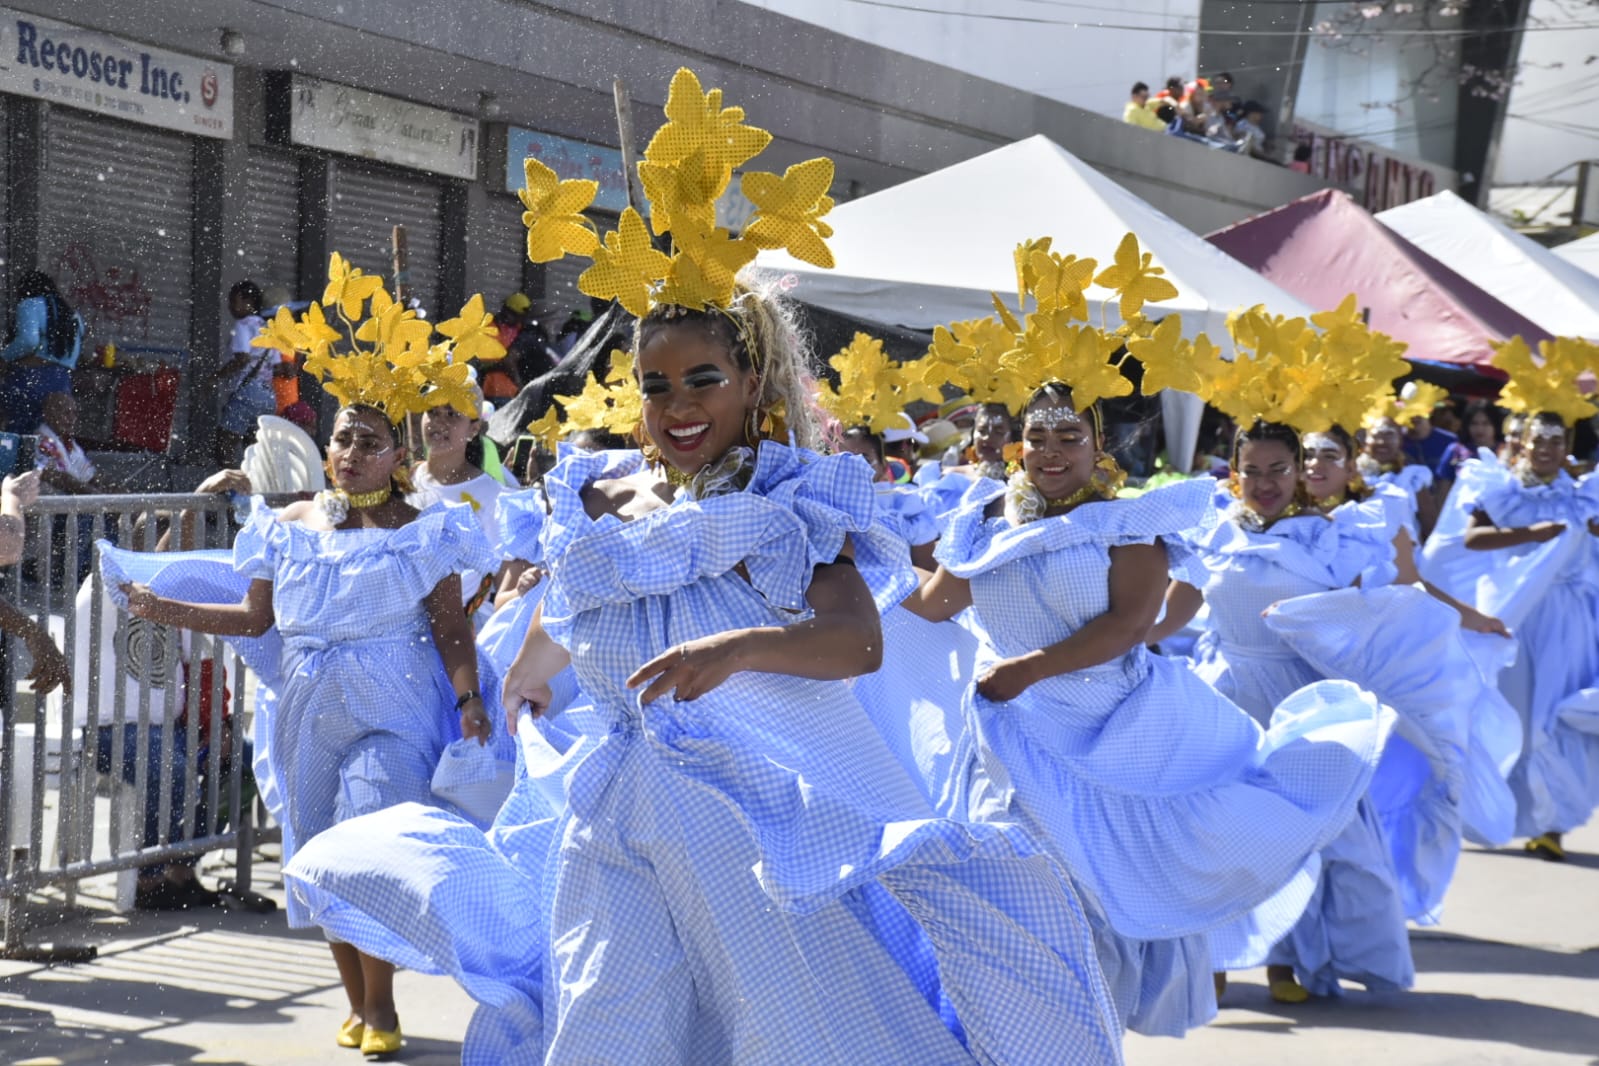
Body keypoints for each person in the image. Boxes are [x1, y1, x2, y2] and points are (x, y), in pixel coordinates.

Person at [281, 277, 1125, 1065]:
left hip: (743, 820)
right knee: (602, 1015)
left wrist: (735, 651)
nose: (677, 407)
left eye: (702, 379)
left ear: (752, 382)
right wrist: (530, 672)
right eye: (656, 386)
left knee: (783, 1030)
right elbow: (574, 601)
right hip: (613, 806)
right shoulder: (600, 500)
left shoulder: (788, 501)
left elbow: (855, 641)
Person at [903, 386, 1385, 1035]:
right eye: (1038, 438)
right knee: (1019, 897)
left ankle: (1084, 1035)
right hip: (1008, 734)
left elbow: (1130, 626)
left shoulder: (1128, 523)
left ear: (1098, 445)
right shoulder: (987, 522)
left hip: (1115, 730)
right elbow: (932, 606)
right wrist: (838, 584)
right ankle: (1025, 1035)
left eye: (1069, 437)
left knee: (1099, 901)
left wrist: (1028, 669)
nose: (1051, 453)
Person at [111, 400, 497, 1057]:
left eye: (368, 441)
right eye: (342, 438)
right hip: (307, 707)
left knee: (372, 846)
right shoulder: (285, 525)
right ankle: (358, 1002)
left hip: (393, 704)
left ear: (398, 457)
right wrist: (162, 607)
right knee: (319, 854)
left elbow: (450, 628)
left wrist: (469, 698)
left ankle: (381, 1005)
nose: (350, 452)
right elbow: (253, 619)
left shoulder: (424, 531)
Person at [1152, 421, 1417, 1004]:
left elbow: (1361, 619)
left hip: (1303, 702)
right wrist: (1118, 645)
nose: (1264, 482)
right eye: (1252, 470)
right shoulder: (1214, 533)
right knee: (1214, 831)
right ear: (1233, 472)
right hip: (1222, 698)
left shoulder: (1327, 538)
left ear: (1300, 472)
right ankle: (1214, 961)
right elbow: (1176, 610)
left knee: (1300, 834)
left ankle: (1289, 960)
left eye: (1278, 470)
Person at [408, 384, 524, 622]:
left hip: (461, 631)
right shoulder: (403, 481)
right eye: (433, 412)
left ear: (474, 428)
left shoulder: (496, 497)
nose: (438, 422)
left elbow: (508, 583)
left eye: (452, 414)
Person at [1, 271, 85, 434]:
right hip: (61, 381)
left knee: (18, 432)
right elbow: (73, 355)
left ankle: (18, 459)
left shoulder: (29, 304)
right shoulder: (72, 314)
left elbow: (28, 341)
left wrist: (4, 357)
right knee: (50, 435)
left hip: (28, 378)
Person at [216, 280, 273, 466]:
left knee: (225, 445)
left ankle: (229, 488)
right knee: (254, 452)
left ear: (248, 302)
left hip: (246, 393)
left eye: (234, 301)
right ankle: (256, 488)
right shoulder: (269, 329)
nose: (230, 306)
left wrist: (216, 377)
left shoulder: (243, 325)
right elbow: (281, 368)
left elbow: (242, 359)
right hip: (267, 396)